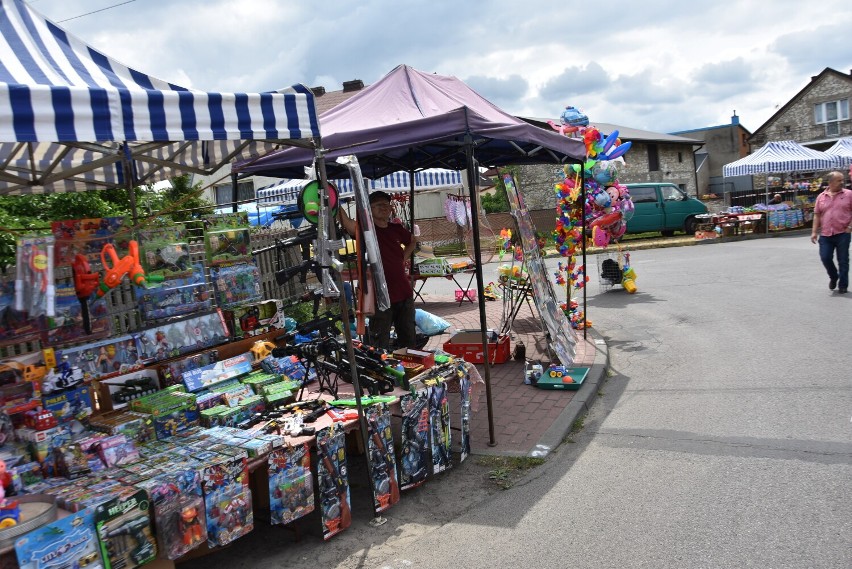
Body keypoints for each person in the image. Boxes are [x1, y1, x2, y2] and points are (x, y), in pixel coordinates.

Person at [338, 191, 418, 348]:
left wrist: (401, 259)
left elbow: (413, 241)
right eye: (379, 205)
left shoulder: (396, 228)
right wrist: (333, 201)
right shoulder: (366, 231)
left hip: (404, 293)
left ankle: (408, 369)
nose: (385, 208)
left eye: (387, 205)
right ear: (370, 208)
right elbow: (347, 223)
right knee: (379, 342)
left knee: (409, 340)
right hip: (379, 296)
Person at [810, 171, 852, 294]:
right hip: (826, 234)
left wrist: (850, 227)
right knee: (825, 257)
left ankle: (843, 285)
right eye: (839, 180)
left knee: (843, 260)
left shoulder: (849, 194)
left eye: (842, 180)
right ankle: (834, 277)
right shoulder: (821, 197)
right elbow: (817, 215)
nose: (842, 182)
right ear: (831, 182)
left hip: (843, 233)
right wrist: (814, 232)